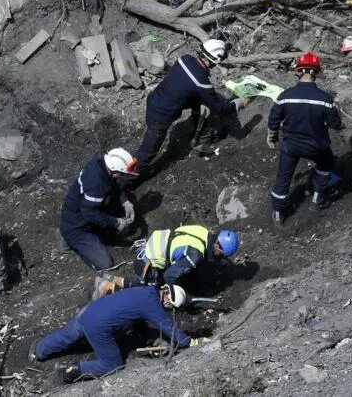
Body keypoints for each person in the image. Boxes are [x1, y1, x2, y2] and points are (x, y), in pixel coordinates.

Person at [29, 284, 209, 383]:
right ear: (168, 300)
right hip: (98, 327)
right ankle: (71, 370)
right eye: (172, 307)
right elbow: (168, 326)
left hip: (89, 311)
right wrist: (188, 343)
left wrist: (152, 340)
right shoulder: (152, 304)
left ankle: (38, 350)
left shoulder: (146, 291)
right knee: (112, 365)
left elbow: (138, 322)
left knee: (66, 337)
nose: (169, 310)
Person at [134, 39, 250, 179]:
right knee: (146, 154)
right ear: (213, 61)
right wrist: (239, 103)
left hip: (154, 99)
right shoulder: (201, 82)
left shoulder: (185, 59)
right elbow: (221, 109)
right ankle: (124, 183)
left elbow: (189, 84)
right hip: (160, 116)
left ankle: (201, 137)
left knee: (198, 99)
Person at [267, 53, 343, 225]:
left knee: (283, 177)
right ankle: (317, 200)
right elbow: (336, 124)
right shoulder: (325, 99)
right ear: (316, 73)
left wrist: (272, 135)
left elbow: (274, 120)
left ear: (298, 72)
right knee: (326, 163)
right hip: (317, 145)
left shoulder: (285, 95)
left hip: (291, 146)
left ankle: (278, 213)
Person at [94, 226, 240, 297]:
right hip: (146, 265)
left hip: (146, 252)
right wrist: (182, 297)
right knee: (151, 295)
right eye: (220, 255)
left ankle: (113, 279)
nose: (219, 258)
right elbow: (170, 276)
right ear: (216, 246)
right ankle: (108, 288)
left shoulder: (202, 232)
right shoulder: (195, 255)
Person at [59, 148, 139, 271]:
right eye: (122, 174)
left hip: (86, 209)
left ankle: (98, 232)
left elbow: (114, 183)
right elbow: (90, 214)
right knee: (105, 264)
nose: (123, 177)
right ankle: (67, 239)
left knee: (111, 206)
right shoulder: (96, 184)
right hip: (77, 227)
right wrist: (115, 222)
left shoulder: (101, 163)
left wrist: (125, 202)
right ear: (114, 170)